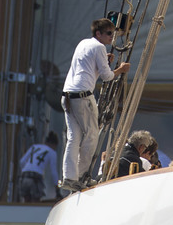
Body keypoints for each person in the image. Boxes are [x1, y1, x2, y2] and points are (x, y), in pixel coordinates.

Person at [60, 17, 130, 189]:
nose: (111, 38)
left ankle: (69, 178)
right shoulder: (99, 47)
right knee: (91, 136)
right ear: (98, 33)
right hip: (83, 98)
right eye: (108, 34)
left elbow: (86, 66)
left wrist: (102, 60)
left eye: (112, 34)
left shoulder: (84, 43)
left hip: (68, 96)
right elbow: (107, 77)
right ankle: (83, 177)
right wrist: (121, 70)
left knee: (73, 138)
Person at [16, 132, 60, 202]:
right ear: (54, 145)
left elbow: (22, 162)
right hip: (36, 177)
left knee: (26, 201)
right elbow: (54, 172)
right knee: (36, 202)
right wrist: (58, 188)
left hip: (24, 175)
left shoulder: (34, 147)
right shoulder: (52, 152)